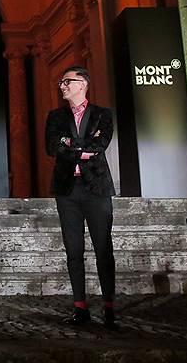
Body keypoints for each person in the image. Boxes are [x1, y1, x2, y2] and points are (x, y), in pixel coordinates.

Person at [44, 66, 118, 330]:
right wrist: (81, 150)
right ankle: (80, 307)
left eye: (67, 81)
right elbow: (52, 147)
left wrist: (70, 145)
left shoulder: (102, 114)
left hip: (96, 189)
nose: (62, 86)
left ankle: (109, 308)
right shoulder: (55, 116)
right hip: (67, 190)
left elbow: (100, 145)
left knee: (103, 248)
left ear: (82, 84)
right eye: (61, 82)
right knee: (73, 250)